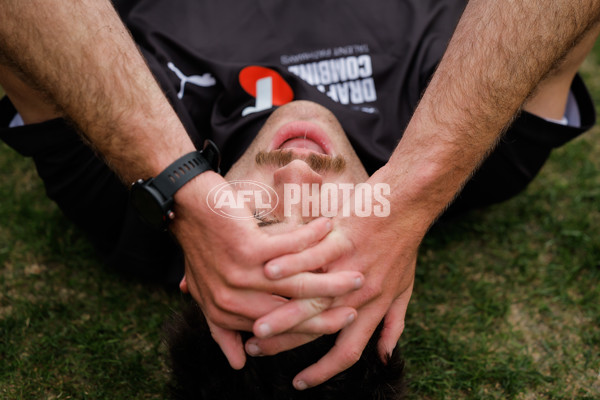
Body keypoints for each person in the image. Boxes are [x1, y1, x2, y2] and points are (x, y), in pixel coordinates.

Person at [0, 0, 598, 391]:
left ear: (198, 263)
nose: (300, 176)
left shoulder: (121, 188)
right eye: (330, 216)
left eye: (261, 215)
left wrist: (171, 176)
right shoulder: (477, 149)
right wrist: (417, 187)